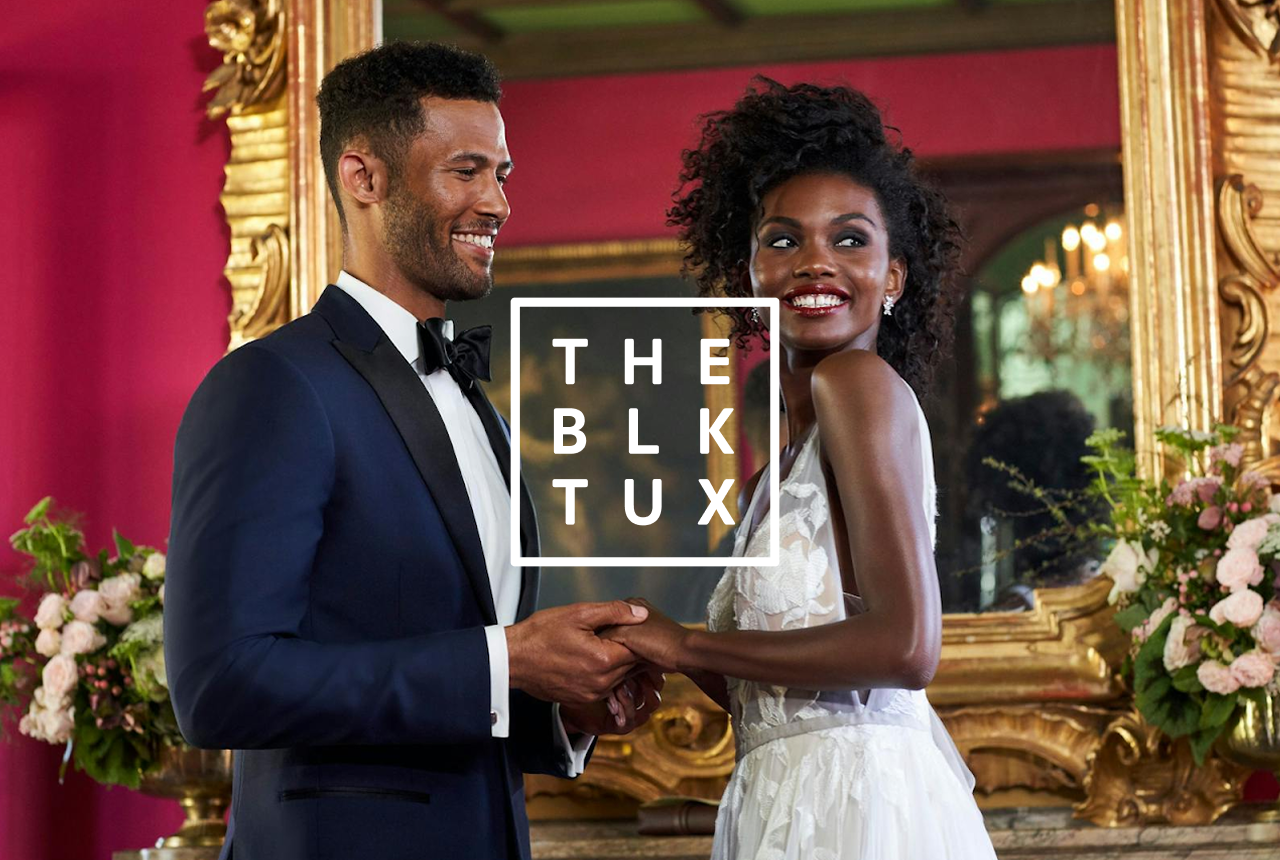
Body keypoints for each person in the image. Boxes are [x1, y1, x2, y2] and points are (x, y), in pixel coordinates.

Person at [165, 42, 661, 860]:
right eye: (466, 172)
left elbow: (462, 670)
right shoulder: (272, 387)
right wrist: (504, 658)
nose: (497, 203)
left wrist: (563, 706)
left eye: (502, 175)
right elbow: (222, 686)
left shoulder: (476, 405)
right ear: (364, 178)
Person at [605, 79, 997, 858]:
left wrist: (687, 646)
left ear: (894, 277)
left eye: (850, 239)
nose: (815, 262)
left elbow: (906, 649)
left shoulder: (854, 385)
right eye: (783, 240)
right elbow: (777, 698)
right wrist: (644, 647)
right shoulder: (771, 478)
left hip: (860, 813)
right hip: (781, 807)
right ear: (748, 270)